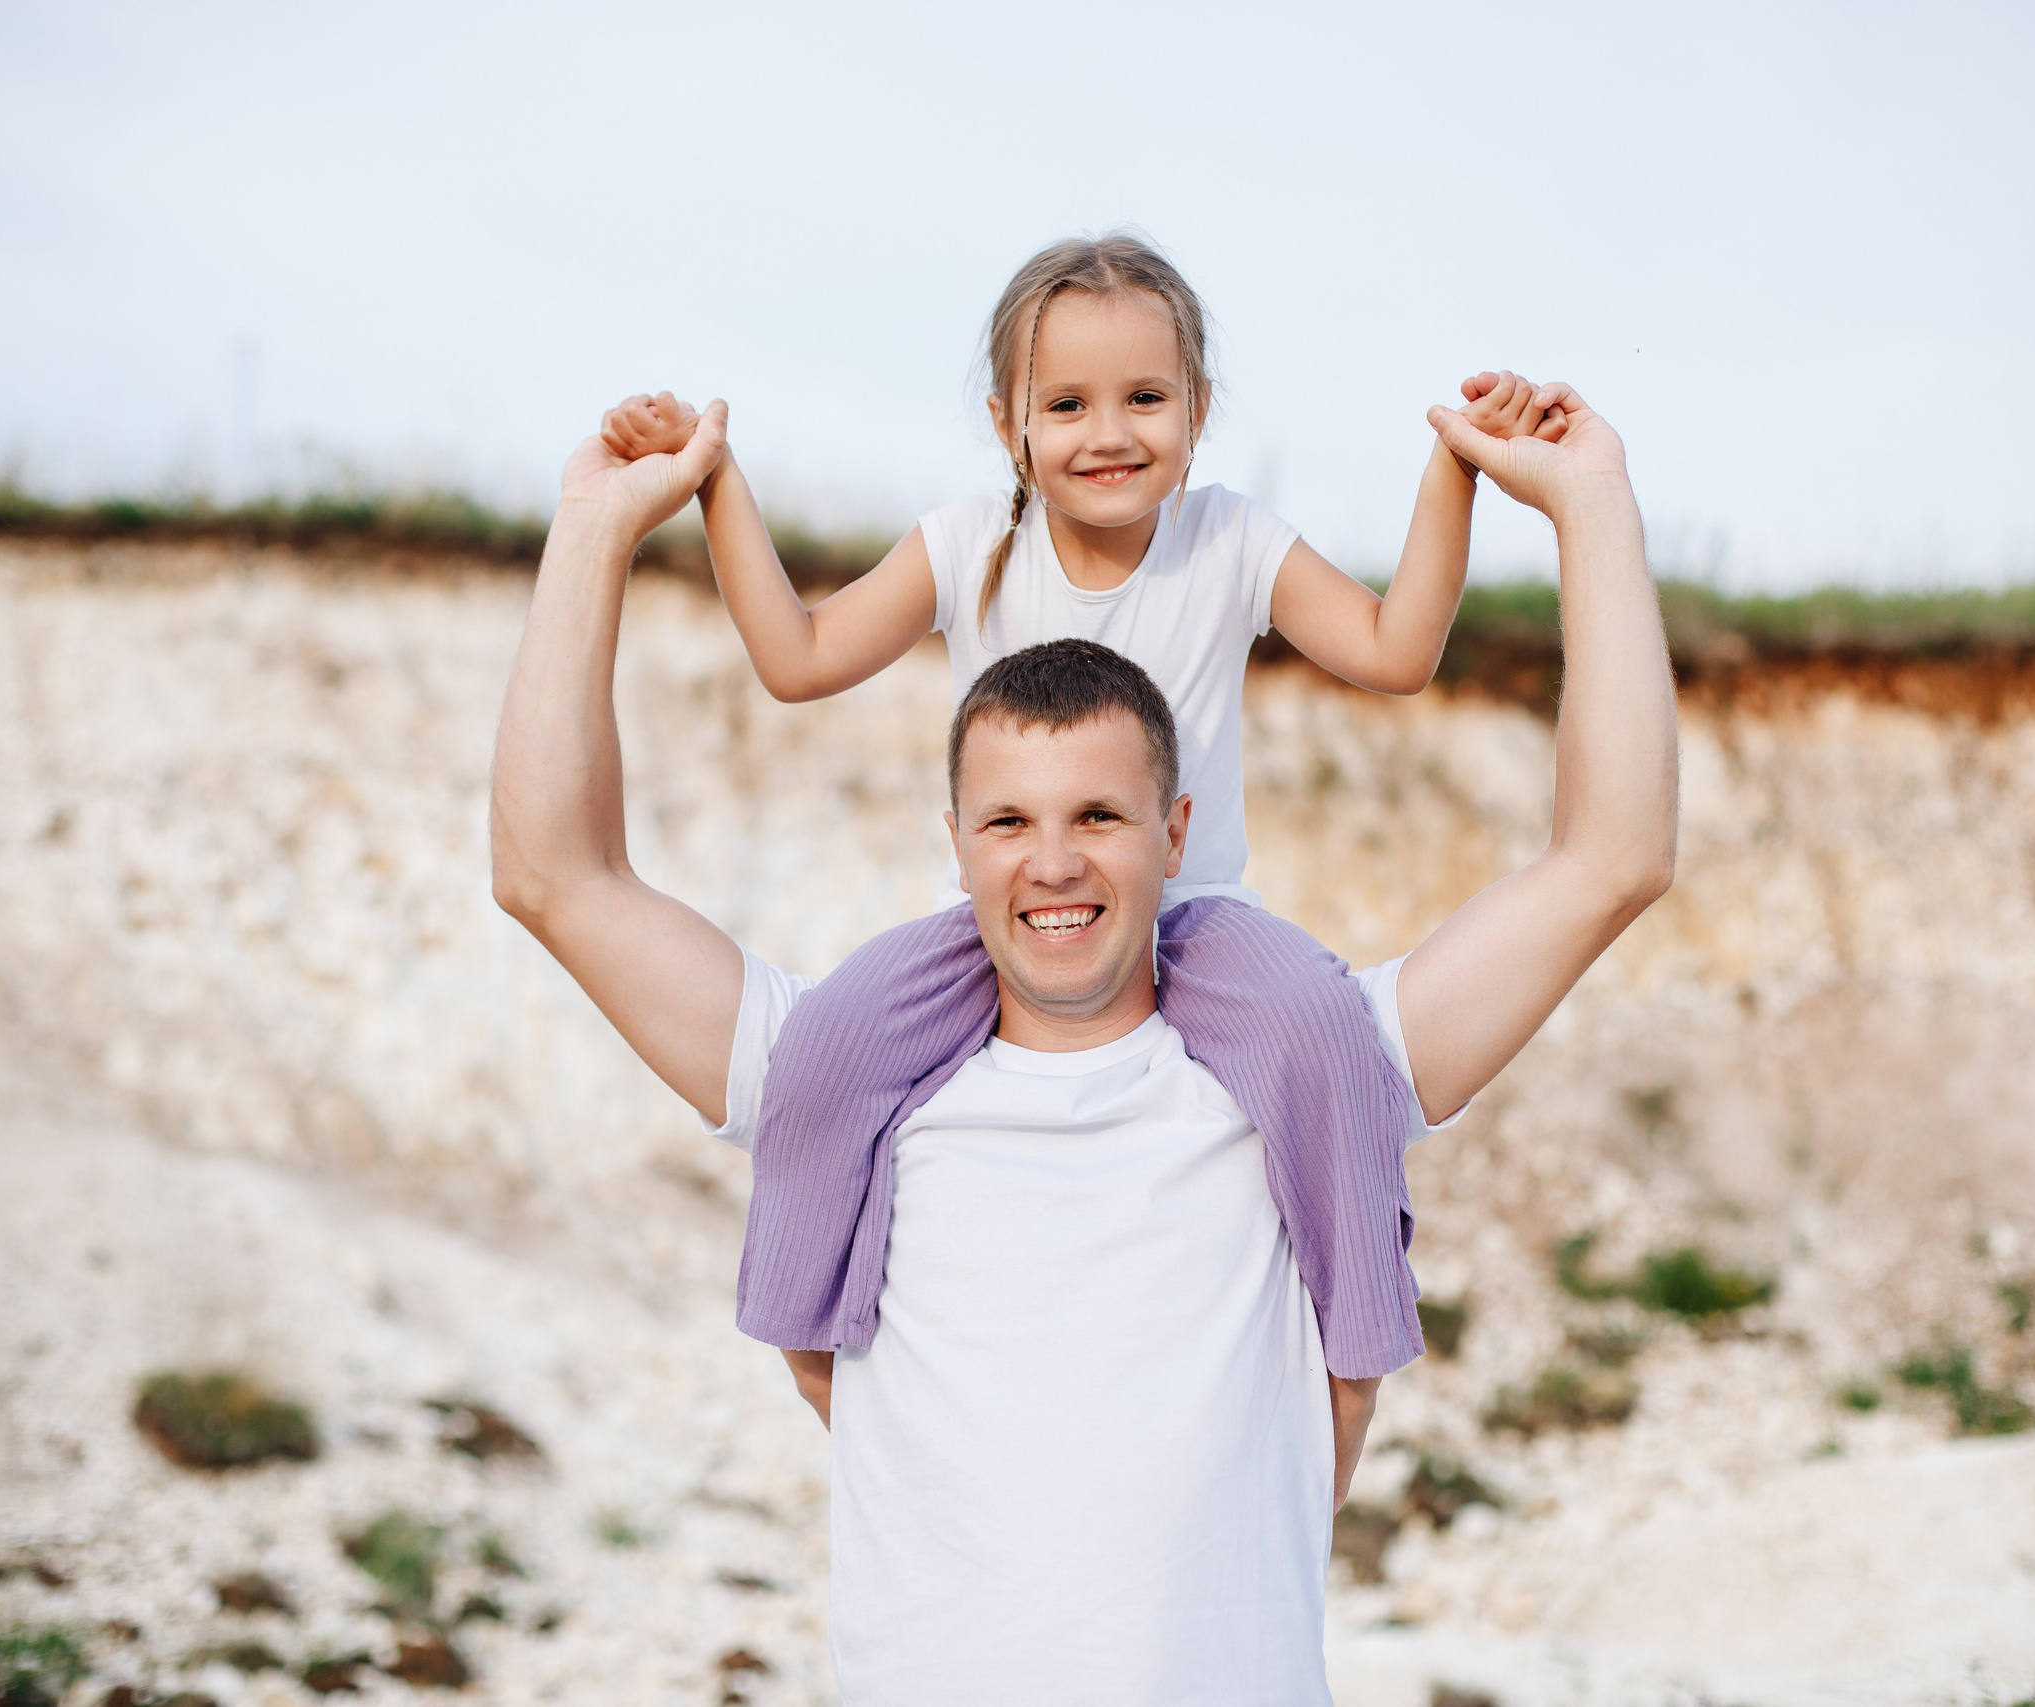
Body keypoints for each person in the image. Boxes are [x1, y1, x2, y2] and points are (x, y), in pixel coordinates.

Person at [489, 372, 1677, 1705]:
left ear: (1175, 835)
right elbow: (554, 875)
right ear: (956, 846)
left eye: (1100, 816)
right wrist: (591, 529)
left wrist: (1594, 508)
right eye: (1007, 822)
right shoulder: (847, 1076)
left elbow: (1611, 858)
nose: (1053, 863)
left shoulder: (1307, 1060)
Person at [602, 232, 1580, 1383]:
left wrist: (1451, 474)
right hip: (998, 926)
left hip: (1192, 914)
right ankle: (811, 1332)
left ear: (1199, 407)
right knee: (823, 1048)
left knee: (1325, 1036)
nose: (1108, 433)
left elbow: (1397, 650)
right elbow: (797, 656)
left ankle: (1355, 1344)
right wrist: (718, 483)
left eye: (1145, 397)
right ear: (1005, 416)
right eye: (1064, 403)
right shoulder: (967, 543)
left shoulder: (1230, 539)